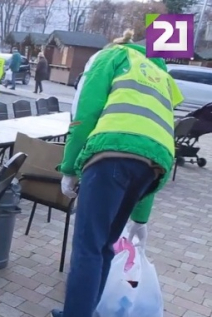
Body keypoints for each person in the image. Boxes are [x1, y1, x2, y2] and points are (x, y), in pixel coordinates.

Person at [52, 29, 182, 317]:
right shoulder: (162, 78)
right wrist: (141, 217)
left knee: (88, 247)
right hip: (151, 165)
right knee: (106, 244)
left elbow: (84, 115)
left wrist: (70, 169)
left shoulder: (112, 56)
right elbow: (151, 141)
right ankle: (87, 310)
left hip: (110, 155)